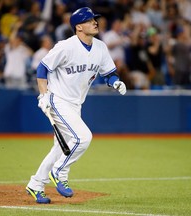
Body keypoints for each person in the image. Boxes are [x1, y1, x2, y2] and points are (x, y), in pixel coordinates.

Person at [26, 7, 126, 204]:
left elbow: (109, 73)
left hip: (75, 104)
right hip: (58, 100)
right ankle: (59, 172)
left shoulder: (100, 47)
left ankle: (35, 184)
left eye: (94, 19)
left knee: (59, 149)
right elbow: (42, 68)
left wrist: (115, 81)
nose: (95, 22)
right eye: (89, 21)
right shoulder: (66, 46)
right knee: (83, 137)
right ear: (78, 27)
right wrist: (43, 95)